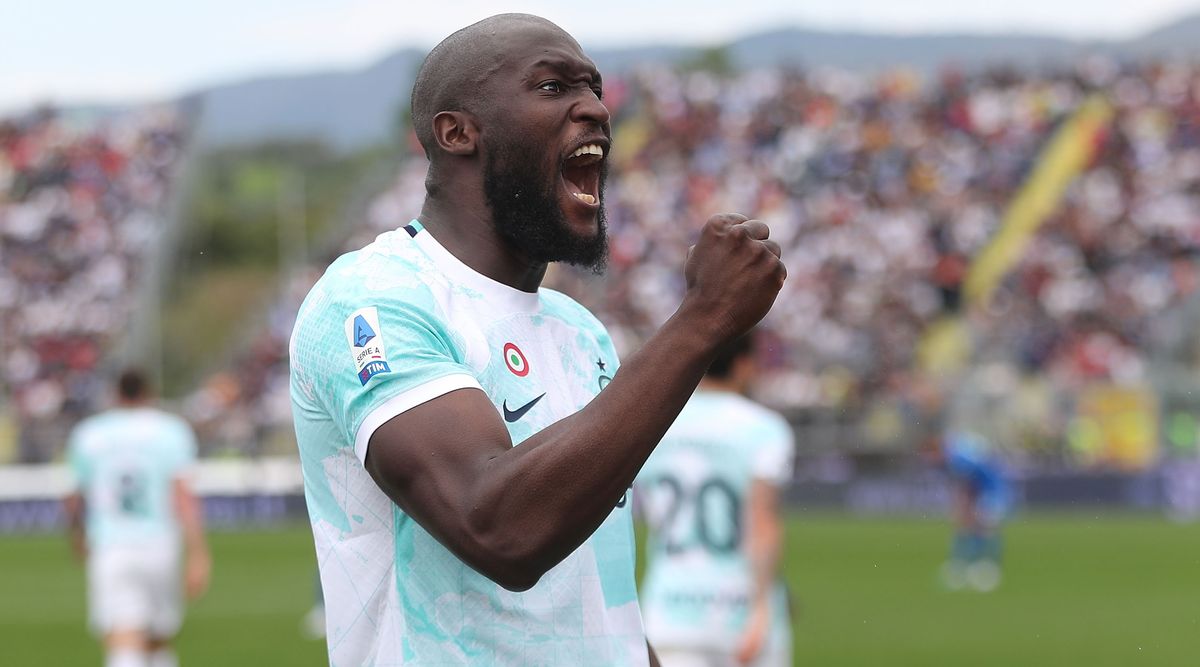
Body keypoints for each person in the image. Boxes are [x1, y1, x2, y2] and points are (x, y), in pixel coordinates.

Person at [288, 13, 786, 667]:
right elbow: (498, 528)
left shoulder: (581, 332)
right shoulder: (373, 299)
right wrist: (703, 319)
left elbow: (603, 601)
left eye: (595, 87)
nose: (595, 109)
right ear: (458, 131)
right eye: (554, 87)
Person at [636, 333, 795, 667]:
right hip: (738, 608)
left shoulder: (657, 423)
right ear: (744, 365)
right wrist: (764, 607)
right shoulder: (764, 428)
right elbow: (762, 523)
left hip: (669, 608)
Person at [63, 369, 211, 667]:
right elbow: (183, 496)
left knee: (123, 636)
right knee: (158, 638)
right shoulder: (171, 430)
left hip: (111, 544)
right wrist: (198, 552)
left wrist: (77, 536)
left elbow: (73, 497)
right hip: (160, 544)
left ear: (116, 395)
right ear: (149, 393)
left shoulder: (90, 433)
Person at [931, 430, 1011, 592]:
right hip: (984, 492)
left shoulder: (958, 460)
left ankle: (985, 568)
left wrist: (964, 507)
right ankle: (966, 566)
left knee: (984, 528)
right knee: (972, 527)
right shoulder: (957, 458)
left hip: (991, 493)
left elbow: (968, 486)